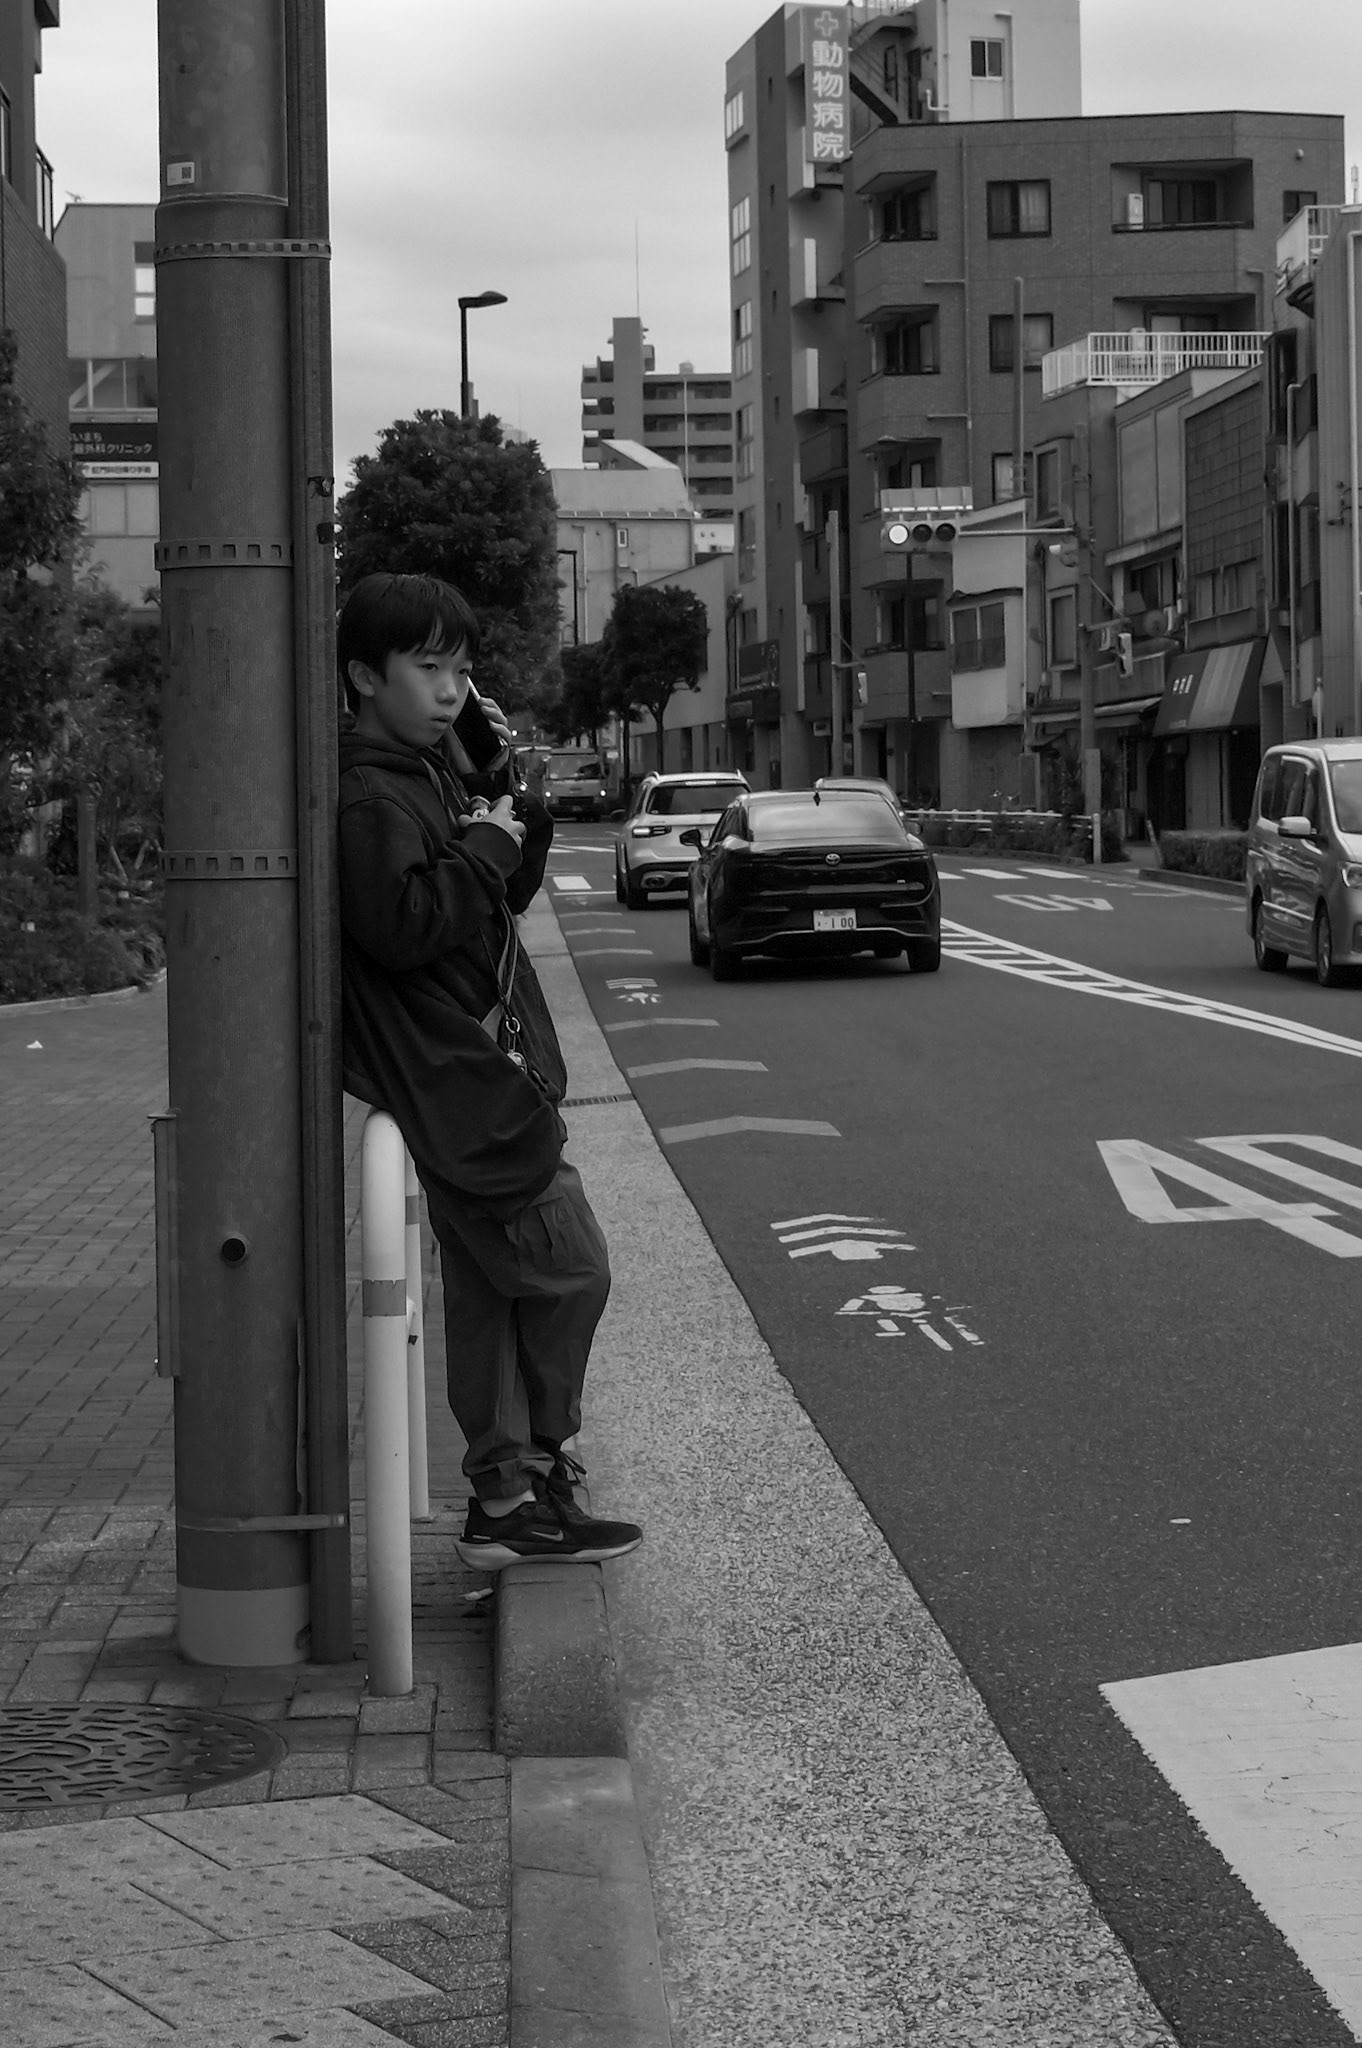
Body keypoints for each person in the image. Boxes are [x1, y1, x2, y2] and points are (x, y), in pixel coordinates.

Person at [335, 570, 642, 1569]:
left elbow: (499, 888)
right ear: (361, 674)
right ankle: (536, 1461)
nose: (449, 692)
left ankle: (506, 1498)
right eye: (428, 669)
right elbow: (403, 925)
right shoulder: (368, 792)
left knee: (495, 1290)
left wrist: (513, 810)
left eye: (460, 672)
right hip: (458, 1085)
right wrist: (480, 843)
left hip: (473, 1074)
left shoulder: (425, 771)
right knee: (570, 1265)